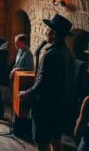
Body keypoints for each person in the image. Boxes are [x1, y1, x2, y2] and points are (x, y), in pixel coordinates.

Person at [18, 14, 74, 151]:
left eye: (48, 29)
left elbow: (42, 84)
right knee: (56, 140)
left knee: (42, 142)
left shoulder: (50, 55)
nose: (45, 31)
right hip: (59, 106)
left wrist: (26, 93)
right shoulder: (67, 53)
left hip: (45, 108)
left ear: (54, 34)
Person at [9, 34, 34, 138]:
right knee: (15, 103)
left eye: (17, 43)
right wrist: (13, 70)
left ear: (23, 42)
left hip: (23, 82)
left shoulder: (28, 53)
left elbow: (30, 68)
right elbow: (16, 64)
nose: (15, 44)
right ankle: (16, 127)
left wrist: (16, 70)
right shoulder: (19, 51)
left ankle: (21, 130)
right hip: (16, 80)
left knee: (21, 107)